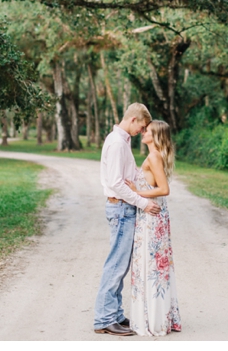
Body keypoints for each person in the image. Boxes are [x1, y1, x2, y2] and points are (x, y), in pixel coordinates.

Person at [94, 103, 160, 337]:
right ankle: (104, 318)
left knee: (121, 265)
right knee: (116, 264)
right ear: (133, 119)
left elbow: (128, 178)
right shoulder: (116, 143)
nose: (142, 131)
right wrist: (143, 203)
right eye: (141, 127)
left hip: (124, 208)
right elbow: (115, 183)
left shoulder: (122, 142)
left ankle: (115, 314)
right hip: (120, 208)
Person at [126, 120, 182, 337]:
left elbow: (163, 189)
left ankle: (154, 319)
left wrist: (136, 193)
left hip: (152, 217)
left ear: (155, 135)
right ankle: (156, 316)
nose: (143, 132)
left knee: (152, 268)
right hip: (151, 214)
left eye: (146, 130)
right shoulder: (154, 156)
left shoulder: (154, 156)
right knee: (153, 267)